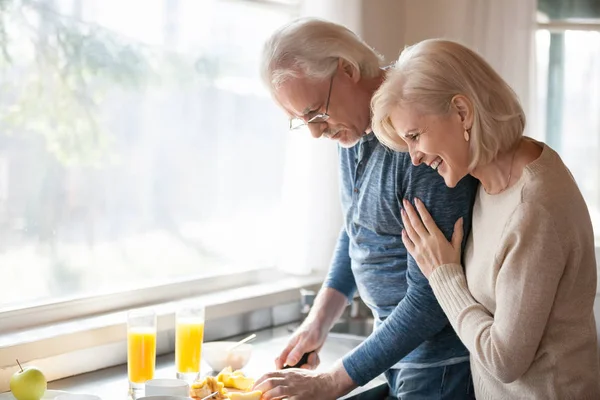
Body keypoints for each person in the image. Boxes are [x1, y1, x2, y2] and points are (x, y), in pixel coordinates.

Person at [253, 18, 479, 400]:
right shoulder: (356, 129)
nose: (314, 132)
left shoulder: (419, 141)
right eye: (300, 121)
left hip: (437, 368)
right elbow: (359, 229)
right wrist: (317, 322)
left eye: (315, 113)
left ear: (347, 70)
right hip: (395, 355)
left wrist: (331, 381)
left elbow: (432, 298)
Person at [370, 38, 600, 399]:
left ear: (462, 112)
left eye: (415, 136)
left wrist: (442, 276)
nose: (413, 158)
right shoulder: (486, 180)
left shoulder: (534, 207)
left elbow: (504, 360)